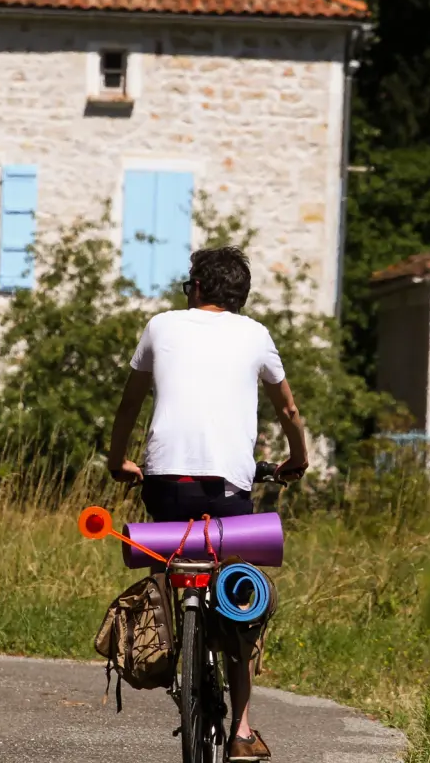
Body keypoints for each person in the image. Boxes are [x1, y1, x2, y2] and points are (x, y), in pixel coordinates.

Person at [106, 245, 308, 763]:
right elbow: (288, 407)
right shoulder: (256, 336)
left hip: (164, 484)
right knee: (240, 593)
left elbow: (131, 401)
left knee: (173, 563)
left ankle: (170, 639)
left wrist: (117, 459)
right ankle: (241, 729)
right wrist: (297, 459)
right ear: (239, 295)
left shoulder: (160, 326)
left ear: (195, 287)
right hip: (228, 493)